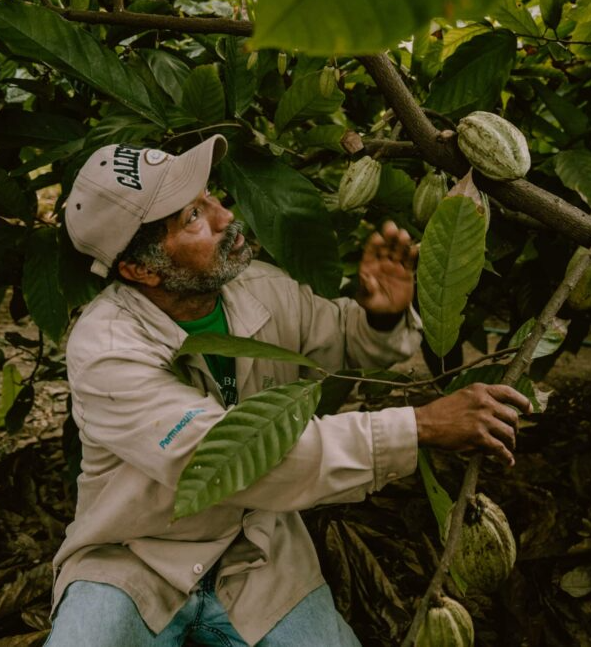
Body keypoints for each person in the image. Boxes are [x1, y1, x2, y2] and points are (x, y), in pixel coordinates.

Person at [49, 135, 530, 647]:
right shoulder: (105, 348)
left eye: (209, 196)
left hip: (258, 555)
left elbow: (340, 338)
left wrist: (381, 316)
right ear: (140, 269)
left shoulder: (261, 288)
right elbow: (225, 457)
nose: (225, 216)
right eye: (192, 217)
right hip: (135, 560)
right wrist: (419, 427)